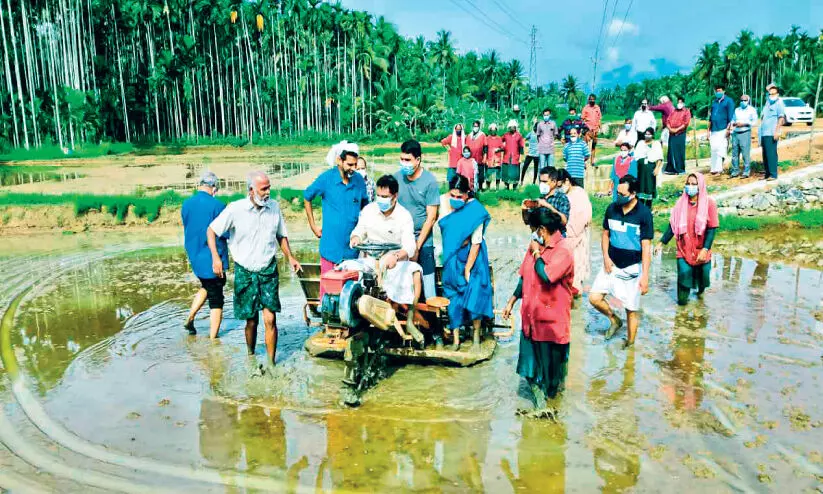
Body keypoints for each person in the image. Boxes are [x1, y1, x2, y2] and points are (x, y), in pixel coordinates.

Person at [208, 171, 302, 368]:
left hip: (267, 269)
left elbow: (281, 236)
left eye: (269, 188)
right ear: (251, 190)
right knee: (251, 321)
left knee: (270, 318)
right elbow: (212, 230)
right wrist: (216, 258)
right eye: (263, 189)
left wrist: (290, 257)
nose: (268, 192)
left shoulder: (274, 208)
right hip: (245, 271)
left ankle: (271, 363)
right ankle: (251, 356)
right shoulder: (235, 209)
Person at [503, 208, 575, 412]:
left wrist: (536, 253)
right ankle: (540, 406)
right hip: (530, 318)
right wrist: (512, 300)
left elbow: (547, 276)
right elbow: (525, 275)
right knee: (529, 368)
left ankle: (549, 406)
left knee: (552, 378)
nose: (532, 234)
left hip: (551, 323)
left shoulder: (563, 251)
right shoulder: (535, 246)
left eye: (534, 229)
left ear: (542, 230)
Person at [350, 174, 425, 343]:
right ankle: (354, 316)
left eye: (385, 197)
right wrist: (355, 238)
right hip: (371, 259)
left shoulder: (404, 216)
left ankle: (410, 320)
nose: (381, 200)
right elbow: (360, 229)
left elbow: (410, 245)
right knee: (347, 269)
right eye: (379, 196)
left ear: (395, 196)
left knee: (414, 273)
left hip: (395, 262)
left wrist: (396, 256)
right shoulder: (369, 210)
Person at [589, 175, 653, 347]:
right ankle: (614, 320)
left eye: (622, 194)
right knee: (594, 297)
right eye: (617, 193)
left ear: (633, 194)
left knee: (631, 309)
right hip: (611, 264)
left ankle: (630, 345)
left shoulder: (644, 214)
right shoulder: (612, 209)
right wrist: (606, 257)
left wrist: (645, 276)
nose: (618, 197)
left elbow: (646, 247)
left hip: (632, 268)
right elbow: (605, 234)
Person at [304, 141, 368, 295]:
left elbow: (366, 208)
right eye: (350, 165)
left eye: (355, 165)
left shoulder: (359, 181)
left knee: (350, 295)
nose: (353, 169)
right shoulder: (326, 179)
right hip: (331, 249)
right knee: (328, 295)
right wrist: (313, 226)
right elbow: (307, 197)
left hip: (352, 249)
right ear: (339, 160)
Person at [438, 174, 494, 351]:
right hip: (451, 258)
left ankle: (476, 337)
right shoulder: (444, 205)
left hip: (472, 258)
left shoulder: (475, 211)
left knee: (474, 292)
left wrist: (468, 269)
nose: (455, 199)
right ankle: (456, 340)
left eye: (459, 197)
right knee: (453, 296)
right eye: (452, 195)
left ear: (467, 194)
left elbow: (476, 242)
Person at [656, 172, 719, 305]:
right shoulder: (680, 203)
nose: (690, 187)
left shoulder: (709, 204)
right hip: (684, 249)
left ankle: (700, 292)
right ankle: (682, 308)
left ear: (700, 186)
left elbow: (712, 229)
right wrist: (661, 242)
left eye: (694, 184)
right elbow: (673, 226)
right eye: (688, 184)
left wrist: (705, 249)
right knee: (684, 278)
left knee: (703, 278)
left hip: (701, 249)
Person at [182, 171, 228, 338]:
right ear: (214, 188)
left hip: (194, 254)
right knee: (216, 298)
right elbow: (225, 233)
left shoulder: (186, 204)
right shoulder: (218, 205)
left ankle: (190, 317)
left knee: (207, 286)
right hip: (212, 257)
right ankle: (213, 340)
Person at [394, 139, 440, 300]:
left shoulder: (430, 181)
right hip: (401, 240)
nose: (403, 163)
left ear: (418, 160)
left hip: (423, 240)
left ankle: (432, 321)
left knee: (428, 287)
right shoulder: (396, 178)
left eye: (407, 160)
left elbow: (431, 217)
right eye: (402, 159)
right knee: (401, 284)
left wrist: (416, 246)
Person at [557, 169, 592, 297]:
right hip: (566, 239)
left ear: (567, 181)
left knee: (576, 276)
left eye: (560, 186)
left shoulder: (579, 194)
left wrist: (569, 236)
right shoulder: (564, 195)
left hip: (577, 240)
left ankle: (576, 311)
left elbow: (583, 219)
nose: (559, 188)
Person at [521, 166, 570, 234]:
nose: (542, 184)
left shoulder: (561, 198)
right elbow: (527, 221)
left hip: (556, 239)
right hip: (539, 237)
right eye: (540, 181)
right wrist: (524, 210)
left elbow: (564, 221)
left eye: (545, 181)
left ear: (554, 182)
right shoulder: (538, 197)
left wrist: (548, 206)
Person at [760, 83, 785, 181]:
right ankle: (767, 174)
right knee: (765, 154)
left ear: (778, 94)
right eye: (770, 94)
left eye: (774, 93)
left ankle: (773, 174)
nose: (771, 95)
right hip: (764, 132)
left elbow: (781, 118)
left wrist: (777, 131)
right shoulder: (767, 103)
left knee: (771, 154)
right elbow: (767, 88)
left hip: (772, 132)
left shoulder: (779, 103)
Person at [633, 127, 664, 208]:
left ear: (652, 135)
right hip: (641, 169)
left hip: (650, 168)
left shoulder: (656, 144)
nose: (647, 136)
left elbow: (660, 157)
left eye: (649, 134)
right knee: (640, 186)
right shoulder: (640, 143)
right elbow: (636, 156)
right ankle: (640, 207)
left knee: (649, 186)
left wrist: (657, 168)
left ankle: (648, 207)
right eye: (646, 134)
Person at [709, 84, 735, 175]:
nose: (718, 92)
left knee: (721, 149)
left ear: (723, 91)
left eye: (720, 90)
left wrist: (728, 129)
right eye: (717, 91)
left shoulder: (728, 101)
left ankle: (719, 169)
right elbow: (710, 117)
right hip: (714, 129)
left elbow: (731, 116)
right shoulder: (714, 102)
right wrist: (708, 130)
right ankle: (713, 169)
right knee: (713, 149)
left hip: (723, 128)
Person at [665, 97, 692, 175]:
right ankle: (671, 169)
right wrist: (670, 128)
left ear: (683, 103)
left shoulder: (686, 112)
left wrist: (676, 130)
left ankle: (680, 169)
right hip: (671, 133)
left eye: (680, 102)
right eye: (678, 102)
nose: (679, 104)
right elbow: (668, 120)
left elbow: (685, 123)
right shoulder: (673, 111)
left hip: (680, 134)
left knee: (679, 151)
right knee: (671, 151)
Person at [502, 119, 524, 189]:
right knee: (506, 172)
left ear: (515, 127)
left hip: (515, 157)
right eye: (510, 127)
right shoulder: (505, 135)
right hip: (506, 157)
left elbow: (521, 147)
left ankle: (515, 187)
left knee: (515, 173)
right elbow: (500, 142)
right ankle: (507, 187)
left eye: (513, 127)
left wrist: (521, 157)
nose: (512, 128)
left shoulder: (519, 136)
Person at [581, 94, 602, 163]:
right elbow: (582, 119)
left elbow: (599, 119)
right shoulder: (586, 108)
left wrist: (600, 129)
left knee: (593, 146)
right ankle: (584, 162)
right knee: (586, 146)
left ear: (595, 99)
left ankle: (592, 161)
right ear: (588, 100)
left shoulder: (597, 108)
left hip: (595, 130)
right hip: (587, 129)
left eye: (593, 99)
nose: (592, 100)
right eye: (590, 99)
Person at [466, 120, 486, 188]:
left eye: (477, 126)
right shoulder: (469, 135)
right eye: (474, 126)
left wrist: (485, 157)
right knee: (471, 173)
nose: (475, 127)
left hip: (479, 158)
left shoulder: (482, 135)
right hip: (471, 158)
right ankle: (471, 186)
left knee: (480, 174)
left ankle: (480, 187)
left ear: (479, 127)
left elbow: (485, 147)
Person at [484, 123, 504, 190]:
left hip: (497, 160)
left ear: (496, 130)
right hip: (489, 159)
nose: (493, 131)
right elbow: (485, 148)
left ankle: (497, 188)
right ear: (489, 130)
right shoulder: (487, 138)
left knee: (498, 174)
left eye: (494, 130)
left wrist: (499, 149)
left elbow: (502, 148)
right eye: (491, 130)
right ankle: (487, 188)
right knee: (488, 174)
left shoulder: (499, 138)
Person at [522, 121, 540, 186]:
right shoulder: (531, 133)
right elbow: (523, 140)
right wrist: (525, 149)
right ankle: (521, 181)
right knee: (524, 167)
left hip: (537, 155)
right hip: (530, 154)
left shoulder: (541, 134)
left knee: (536, 169)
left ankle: (534, 182)